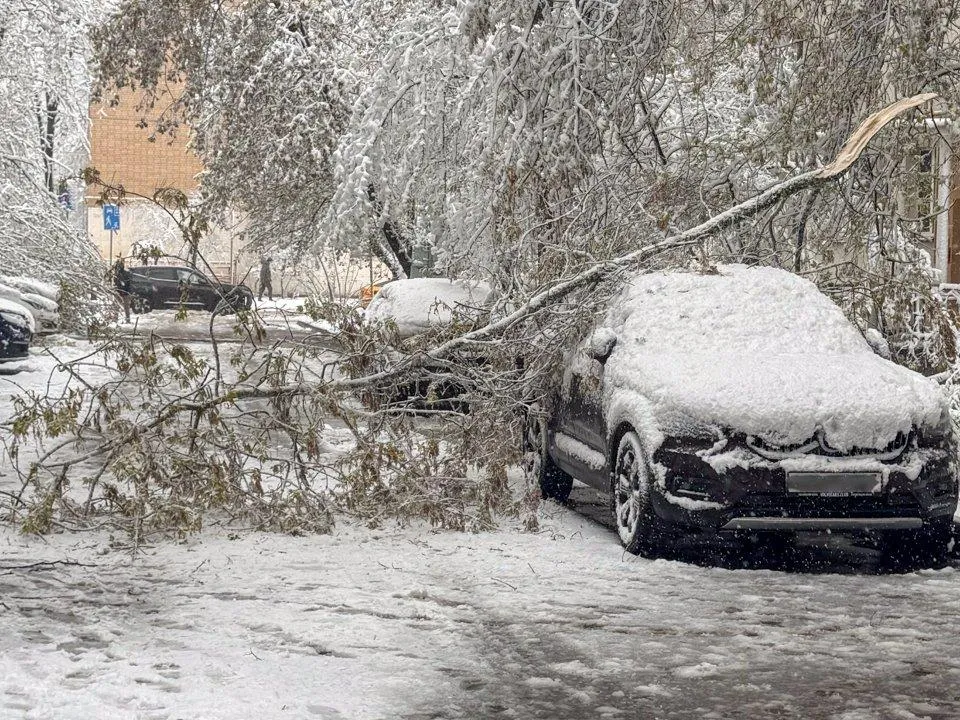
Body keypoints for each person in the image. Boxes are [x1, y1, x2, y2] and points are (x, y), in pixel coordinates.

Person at [112, 255, 132, 323]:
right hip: (123, 292)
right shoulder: (120, 274)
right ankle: (125, 319)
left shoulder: (118, 274)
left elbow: (127, 283)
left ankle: (117, 319)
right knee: (124, 307)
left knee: (118, 306)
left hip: (122, 292)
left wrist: (123, 290)